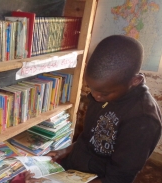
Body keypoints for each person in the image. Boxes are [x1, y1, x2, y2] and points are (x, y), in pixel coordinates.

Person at [23, 35, 162, 183]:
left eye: (103, 93)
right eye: (91, 88)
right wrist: (64, 151)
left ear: (135, 81)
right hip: (75, 167)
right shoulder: (104, 92)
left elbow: (120, 178)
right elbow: (89, 136)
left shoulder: (143, 120)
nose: (96, 96)